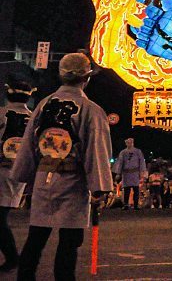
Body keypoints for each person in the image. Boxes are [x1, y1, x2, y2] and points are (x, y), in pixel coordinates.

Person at [11, 53, 113, 280]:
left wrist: (25, 177)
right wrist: (99, 188)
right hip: (73, 181)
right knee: (69, 243)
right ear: (86, 79)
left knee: (36, 238)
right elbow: (96, 150)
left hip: (43, 177)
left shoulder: (43, 105)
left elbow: (29, 144)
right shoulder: (91, 110)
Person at [0, 78, 35, 272]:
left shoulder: (2, 113)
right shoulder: (33, 118)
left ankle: (13, 257)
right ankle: (12, 257)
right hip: (19, 171)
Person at [114, 138, 146, 210]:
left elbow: (141, 162)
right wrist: (118, 173)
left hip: (135, 172)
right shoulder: (123, 152)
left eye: (130, 142)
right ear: (126, 143)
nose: (129, 144)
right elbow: (120, 162)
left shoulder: (138, 151)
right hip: (126, 173)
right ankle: (126, 204)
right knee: (126, 190)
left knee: (136, 189)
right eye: (128, 143)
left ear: (133, 143)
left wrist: (142, 172)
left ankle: (135, 205)